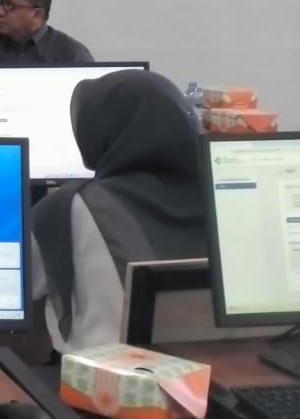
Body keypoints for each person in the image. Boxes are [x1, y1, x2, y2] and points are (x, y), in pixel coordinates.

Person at [30, 69, 208, 354]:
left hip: (106, 374)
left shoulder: (70, 207)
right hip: (223, 367)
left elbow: (15, 286)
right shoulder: (225, 197)